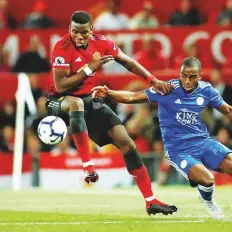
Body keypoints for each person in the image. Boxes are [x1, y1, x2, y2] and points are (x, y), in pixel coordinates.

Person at [45, 11, 176, 216]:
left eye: (83, 33)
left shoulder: (102, 42)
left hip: (87, 98)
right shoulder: (61, 48)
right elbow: (61, 86)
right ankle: (88, 167)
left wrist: (153, 80)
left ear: (91, 31)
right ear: (69, 30)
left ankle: (150, 201)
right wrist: (90, 69)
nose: (79, 37)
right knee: (76, 103)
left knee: (127, 144)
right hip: (58, 101)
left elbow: (127, 61)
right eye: (74, 32)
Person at [92, 57, 232, 219]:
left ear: (200, 76)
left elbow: (227, 110)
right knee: (208, 180)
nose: (187, 80)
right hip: (179, 150)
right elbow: (132, 97)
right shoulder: (166, 89)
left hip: (204, 142)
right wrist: (108, 93)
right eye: (183, 75)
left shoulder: (206, 90)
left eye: (192, 76)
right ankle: (208, 201)